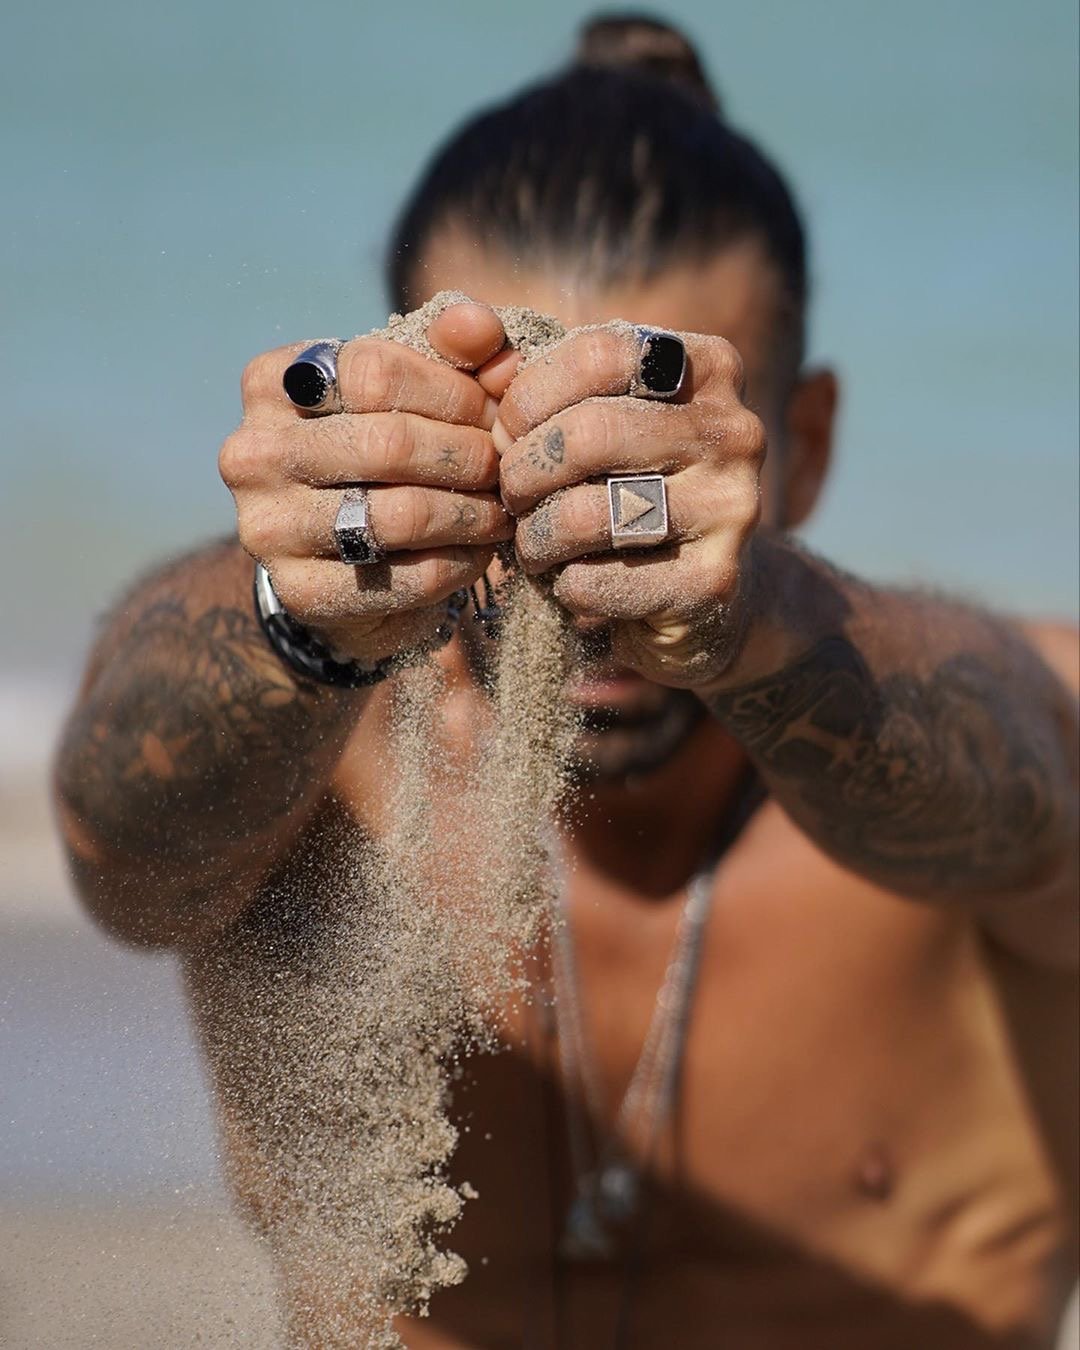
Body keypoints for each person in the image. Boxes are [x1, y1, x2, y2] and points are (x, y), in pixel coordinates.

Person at [52, 14, 1078, 1350]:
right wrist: (296, 621)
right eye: (510, 444)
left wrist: (748, 614)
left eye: (642, 461)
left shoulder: (949, 751)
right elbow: (119, 845)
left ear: (800, 442)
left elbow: (1033, 766)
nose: (576, 550)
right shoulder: (320, 763)